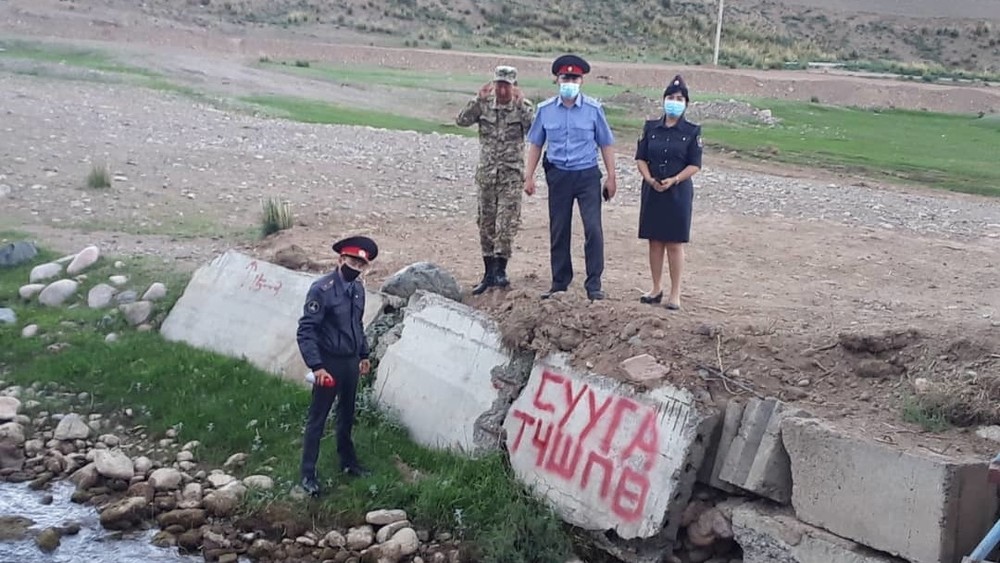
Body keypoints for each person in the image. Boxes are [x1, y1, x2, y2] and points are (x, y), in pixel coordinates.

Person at [523, 54, 617, 301]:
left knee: (593, 229)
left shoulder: (593, 110)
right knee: (559, 229)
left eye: (574, 79)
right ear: (557, 79)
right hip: (559, 175)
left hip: (587, 175)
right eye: (565, 78)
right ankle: (559, 283)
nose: (570, 83)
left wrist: (611, 176)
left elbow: (606, 143)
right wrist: (529, 176)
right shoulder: (545, 110)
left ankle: (594, 285)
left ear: (582, 81)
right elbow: (536, 143)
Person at [296, 235, 379, 497]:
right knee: (318, 418)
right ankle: (308, 474)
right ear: (341, 259)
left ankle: (348, 462)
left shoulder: (358, 290)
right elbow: (306, 330)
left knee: (346, 414)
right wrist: (317, 366)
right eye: (353, 262)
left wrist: (363, 354)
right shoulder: (321, 290)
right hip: (328, 361)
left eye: (361, 265)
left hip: (350, 361)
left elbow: (357, 325)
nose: (357, 268)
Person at [455, 65, 535, 295]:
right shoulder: (484, 104)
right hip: (487, 175)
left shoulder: (522, 107)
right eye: (499, 84)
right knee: (486, 223)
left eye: (506, 86)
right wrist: (476, 101)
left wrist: (522, 107)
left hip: (511, 176)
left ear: (514, 86)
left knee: (506, 224)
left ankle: (501, 270)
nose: (502, 90)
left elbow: (536, 131)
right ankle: (488, 272)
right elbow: (461, 121)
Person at [634, 75, 703, 310]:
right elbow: (641, 157)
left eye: (679, 99)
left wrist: (674, 179)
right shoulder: (651, 128)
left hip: (678, 192)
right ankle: (656, 288)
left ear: (686, 103)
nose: (674, 102)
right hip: (653, 189)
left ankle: (675, 294)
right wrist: (648, 178)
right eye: (671, 98)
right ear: (663, 100)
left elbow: (695, 164)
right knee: (654, 241)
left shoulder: (692, 131)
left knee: (674, 243)